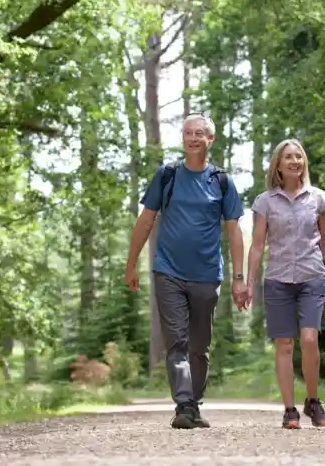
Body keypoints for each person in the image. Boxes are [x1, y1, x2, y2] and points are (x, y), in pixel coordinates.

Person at [124, 113, 246, 430]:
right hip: (169, 272)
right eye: (188, 133)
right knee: (176, 341)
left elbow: (234, 231)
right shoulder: (167, 176)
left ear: (210, 139)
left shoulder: (222, 181)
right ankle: (184, 404)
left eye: (200, 133)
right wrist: (131, 262)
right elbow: (146, 220)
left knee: (199, 346)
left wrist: (238, 277)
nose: (193, 138)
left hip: (207, 276)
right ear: (182, 139)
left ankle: (194, 402)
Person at [246, 138, 325, 430]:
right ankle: (290, 410)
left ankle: (313, 401)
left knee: (310, 340)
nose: (294, 161)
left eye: (298, 156)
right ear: (278, 163)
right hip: (277, 280)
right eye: (288, 156)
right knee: (285, 344)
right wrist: (248, 281)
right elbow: (257, 245)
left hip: (312, 277)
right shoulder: (265, 202)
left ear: (304, 163)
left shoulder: (318, 198)